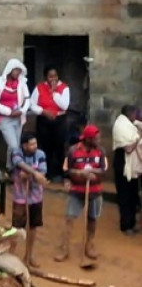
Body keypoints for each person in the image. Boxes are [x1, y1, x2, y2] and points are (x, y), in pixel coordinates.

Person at [55, 125, 107, 262]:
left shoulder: (100, 151)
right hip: (77, 191)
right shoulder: (73, 151)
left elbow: (104, 169)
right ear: (88, 139)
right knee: (69, 219)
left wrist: (93, 173)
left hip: (95, 191)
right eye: (96, 138)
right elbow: (66, 169)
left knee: (93, 219)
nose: (99, 140)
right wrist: (79, 173)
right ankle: (64, 248)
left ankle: (89, 245)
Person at [10, 133, 49, 267]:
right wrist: (34, 173)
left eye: (35, 144)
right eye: (32, 144)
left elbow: (42, 173)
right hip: (20, 197)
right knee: (16, 228)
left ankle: (29, 255)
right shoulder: (16, 152)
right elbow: (18, 164)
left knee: (33, 226)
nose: (35, 146)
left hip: (36, 197)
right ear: (24, 145)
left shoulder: (40, 154)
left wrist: (29, 174)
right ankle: (10, 255)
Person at [30, 67, 70, 182]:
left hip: (59, 120)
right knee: (45, 146)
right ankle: (46, 172)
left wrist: (54, 94)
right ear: (45, 77)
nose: (53, 79)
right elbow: (32, 105)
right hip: (44, 120)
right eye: (50, 76)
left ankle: (61, 172)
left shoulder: (64, 88)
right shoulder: (39, 88)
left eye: (55, 76)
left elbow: (64, 106)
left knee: (60, 146)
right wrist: (44, 111)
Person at [0, 59, 30, 167]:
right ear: (9, 70)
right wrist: (8, 112)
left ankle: (10, 167)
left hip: (18, 118)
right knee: (14, 146)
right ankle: (17, 168)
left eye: (19, 70)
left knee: (14, 145)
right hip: (5, 119)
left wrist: (22, 111)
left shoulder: (22, 82)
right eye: (15, 70)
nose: (17, 72)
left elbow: (27, 98)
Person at [112, 105, 142, 235]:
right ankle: (125, 226)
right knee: (124, 197)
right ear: (129, 114)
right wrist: (138, 138)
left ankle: (132, 223)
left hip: (134, 169)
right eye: (135, 114)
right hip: (123, 165)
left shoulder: (131, 124)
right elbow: (129, 148)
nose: (136, 116)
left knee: (133, 196)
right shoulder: (120, 126)